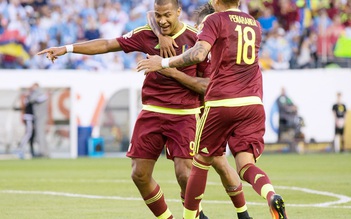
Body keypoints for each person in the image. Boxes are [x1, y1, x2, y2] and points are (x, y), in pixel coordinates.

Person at [38, 1, 250, 218]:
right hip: (151, 112)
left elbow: (208, 87)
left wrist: (169, 69)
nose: (162, 20)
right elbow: (107, 45)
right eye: (158, 16)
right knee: (139, 174)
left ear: (178, 12)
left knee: (186, 174)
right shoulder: (148, 33)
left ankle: (209, 215)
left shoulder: (198, 40)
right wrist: (68, 48)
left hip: (185, 115)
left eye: (167, 15)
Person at [136, 0, 288, 218]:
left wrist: (165, 63)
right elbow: (154, 16)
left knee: (200, 162)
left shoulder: (213, 20)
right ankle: (270, 194)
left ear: (216, 2)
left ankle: (191, 217)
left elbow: (198, 54)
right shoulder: (254, 23)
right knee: (244, 165)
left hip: (221, 103)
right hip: (253, 102)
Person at [147, 3, 252, 219]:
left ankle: (203, 215)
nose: (199, 32)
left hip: (207, 110)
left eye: (202, 27)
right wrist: (161, 35)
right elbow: (151, 14)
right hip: (213, 108)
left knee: (207, 164)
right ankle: (237, 214)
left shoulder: (213, 51)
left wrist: (170, 70)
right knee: (210, 163)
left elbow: (206, 86)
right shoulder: (212, 39)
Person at [28, 83, 49, 158]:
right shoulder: (41, 93)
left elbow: (31, 99)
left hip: (40, 117)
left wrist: (31, 93)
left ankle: (43, 152)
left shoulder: (39, 93)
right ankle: (44, 152)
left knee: (40, 135)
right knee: (40, 135)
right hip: (39, 117)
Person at [18, 91, 36, 159]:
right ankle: (21, 146)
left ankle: (24, 148)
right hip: (28, 117)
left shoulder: (29, 99)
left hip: (30, 117)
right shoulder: (28, 99)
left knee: (30, 134)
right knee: (28, 133)